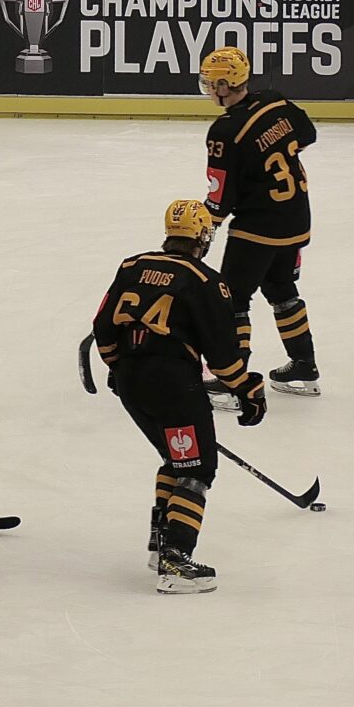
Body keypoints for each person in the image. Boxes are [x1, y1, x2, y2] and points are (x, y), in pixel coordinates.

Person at [93, 200, 266, 594]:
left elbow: (103, 328)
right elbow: (223, 359)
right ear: (203, 236)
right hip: (174, 386)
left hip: (132, 382)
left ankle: (162, 543)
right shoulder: (206, 281)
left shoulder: (132, 266)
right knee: (197, 468)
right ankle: (175, 560)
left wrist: (118, 366)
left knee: (176, 459)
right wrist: (248, 389)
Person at [198, 46, 321, 399]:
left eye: (211, 83)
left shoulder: (225, 131)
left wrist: (201, 228)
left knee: (232, 299)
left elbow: (221, 196)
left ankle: (233, 380)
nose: (209, 89)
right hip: (296, 219)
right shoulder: (275, 101)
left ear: (224, 85)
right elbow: (307, 135)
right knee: (282, 290)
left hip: (257, 228)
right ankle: (304, 365)